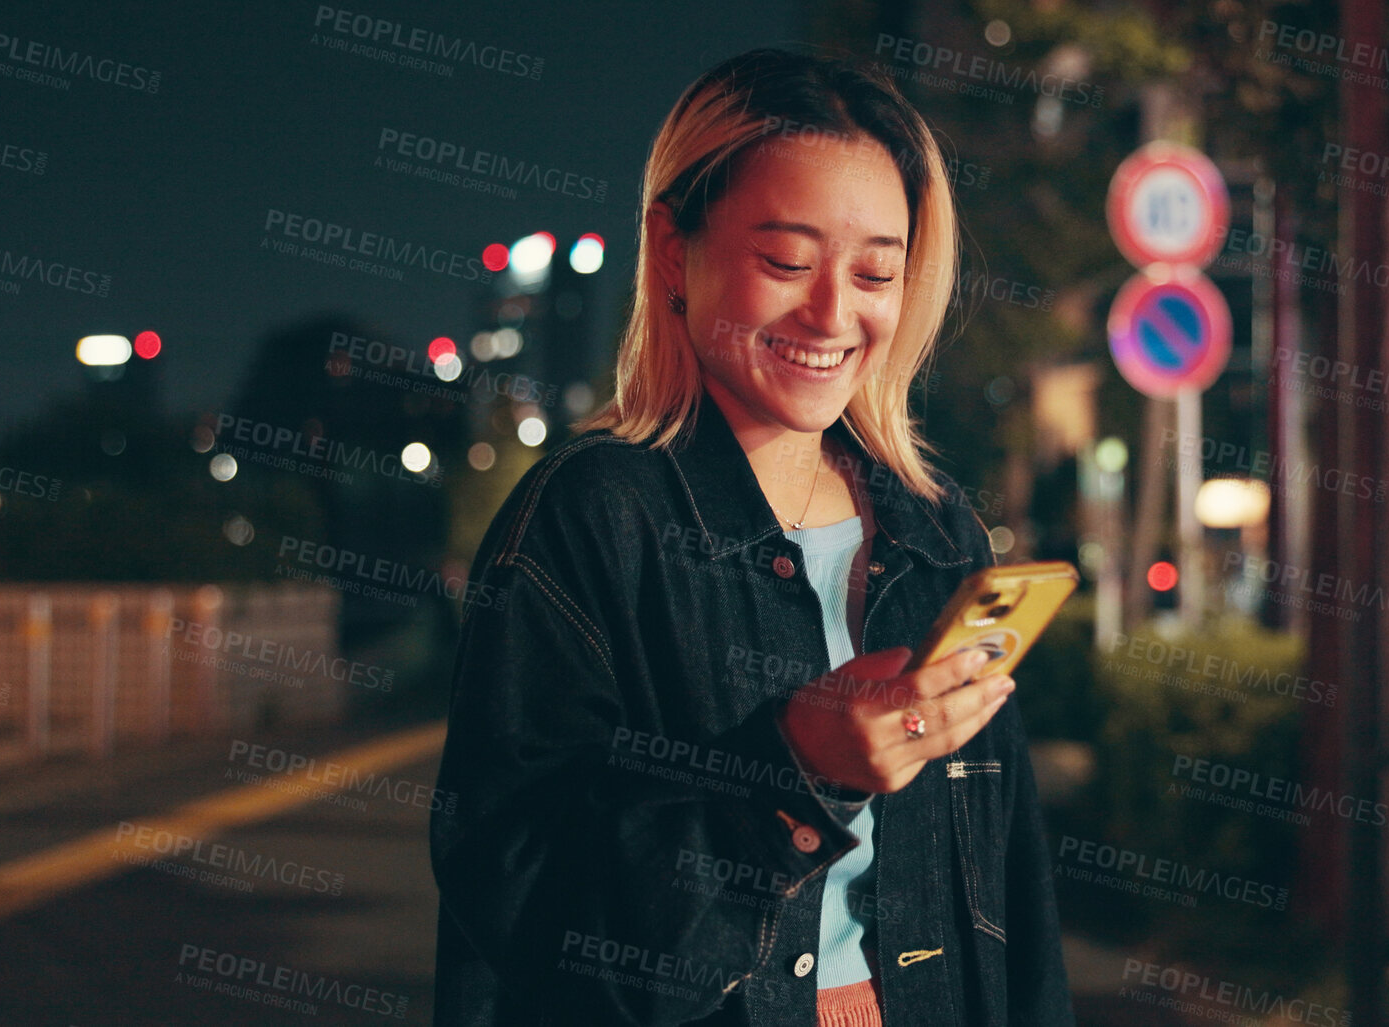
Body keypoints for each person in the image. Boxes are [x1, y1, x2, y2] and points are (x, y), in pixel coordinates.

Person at [429, 47, 1075, 1027]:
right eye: (786, 261)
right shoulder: (593, 517)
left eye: (875, 272)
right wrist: (791, 769)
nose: (833, 312)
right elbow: (517, 902)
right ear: (669, 250)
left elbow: (1014, 896)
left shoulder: (937, 530)